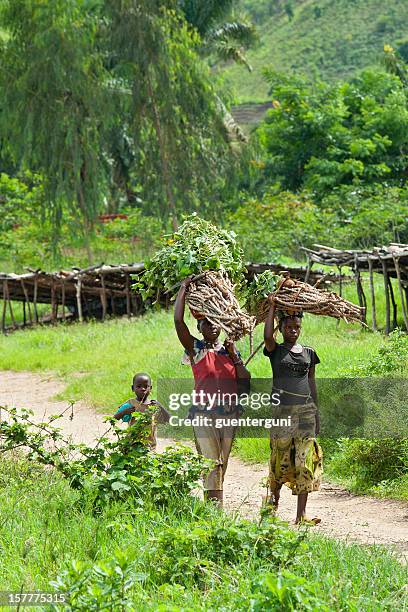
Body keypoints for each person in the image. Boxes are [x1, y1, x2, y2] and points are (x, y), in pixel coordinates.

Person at [174, 276, 251, 506]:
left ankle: (213, 509)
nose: (213, 326)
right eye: (207, 322)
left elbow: (245, 381)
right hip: (203, 414)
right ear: (199, 327)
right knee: (210, 462)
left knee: (222, 463)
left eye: (216, 321)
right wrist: (183, 287)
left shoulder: (229, 351)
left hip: (228, 413)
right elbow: (178, 322)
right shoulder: (195, 348)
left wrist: (236, 356)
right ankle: (216, 513)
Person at [263, 298, 323, 525]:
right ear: (281, 328)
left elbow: (312, 383)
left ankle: (301, 516)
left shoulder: (309, 353)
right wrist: (271, 307)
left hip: (305, 412)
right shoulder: (275, 350)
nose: (293, 331)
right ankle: (273, 505)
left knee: (304, 461)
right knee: (280, 460)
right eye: (289, 327)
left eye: (297, 327)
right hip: (282, 412)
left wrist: (317, 413)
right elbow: (267, 336)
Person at [114, 372, 169, 451]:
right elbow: (114, 418)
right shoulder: (130, 403)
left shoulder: (154, 406)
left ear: (150, 388)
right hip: (131, 444)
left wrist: (160, 406)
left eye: (146, 386)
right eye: (139, 386)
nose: (142, 389)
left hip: (149, 447)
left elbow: (168, 419)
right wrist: (124, 412)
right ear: (133, 388)